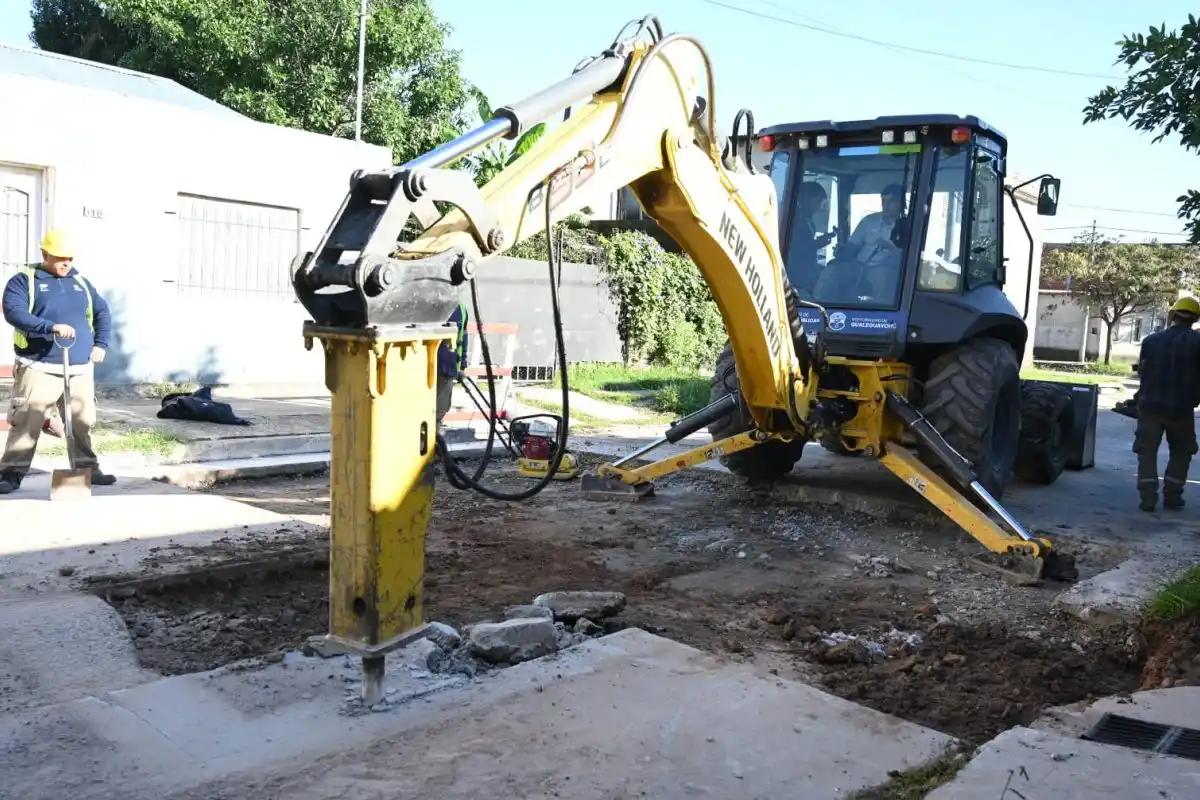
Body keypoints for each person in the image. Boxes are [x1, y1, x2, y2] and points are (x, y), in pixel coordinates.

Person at [0, 229, 116, 494]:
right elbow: (15, 313)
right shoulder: (24, 280)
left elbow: (102, 312)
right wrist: (49, 327)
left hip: (79, 368)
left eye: (70, 258)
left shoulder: (82, 283)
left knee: (82, 421)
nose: (66, 263)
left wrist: (101, 344)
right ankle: (11, 473)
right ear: (45, 254)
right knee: (27, 419)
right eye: (60, 258)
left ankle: (87, 469)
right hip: (39, 365)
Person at [1132, 295, 1200, 512]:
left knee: (1147, 452)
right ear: (1195, 319)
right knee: (1181, 452)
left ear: (1172, 315)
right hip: (1182, 410)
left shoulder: (1150, 341)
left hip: (1150, 407)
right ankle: (1172, 496)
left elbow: (1142, 373)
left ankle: (1147, 499)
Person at [786, 181, 836, 293]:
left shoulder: (808, 220)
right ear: (805, 198)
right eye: (817, 202)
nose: (818, 207)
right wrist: (817, 244)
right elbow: (794, 245)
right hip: (795, 271)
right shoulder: (792, 217)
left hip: (807, 267)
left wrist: (818, 242)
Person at [436, 301, 470, 428]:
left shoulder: (461, 307)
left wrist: (461, 366)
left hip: (446, 368)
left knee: (439, 410)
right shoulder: (459, 307)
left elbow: (462, 338)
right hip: (430, 367)